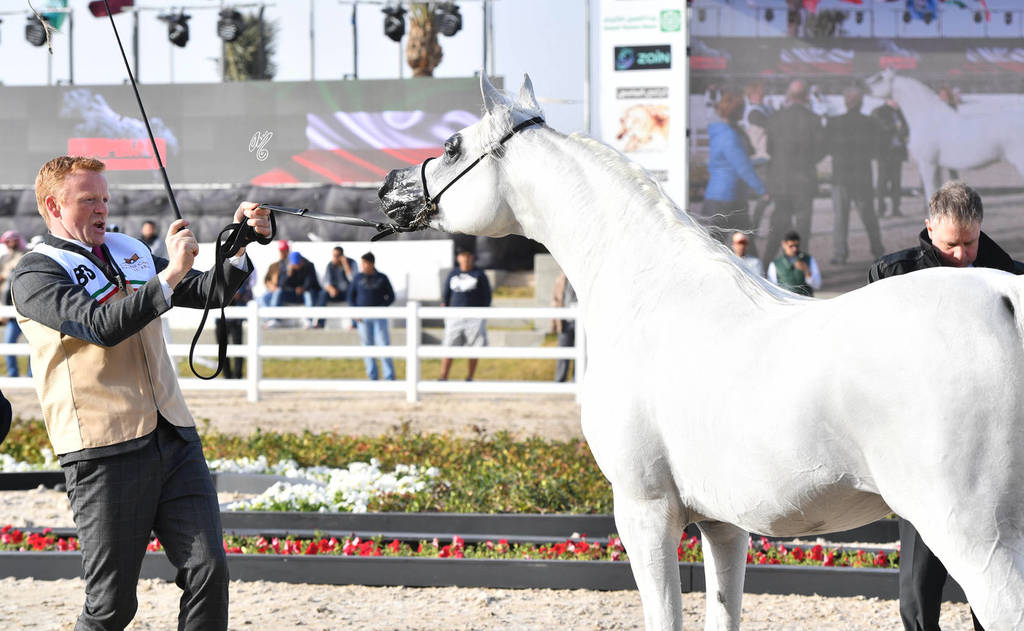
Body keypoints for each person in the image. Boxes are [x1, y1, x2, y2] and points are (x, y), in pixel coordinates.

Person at [10, 155, 271, 631]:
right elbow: (100, 326)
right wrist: (168, 275)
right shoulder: (34, 273)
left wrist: (238, 243)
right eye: (88, 199)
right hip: (102, 450)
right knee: (111, 607)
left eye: (105, 199)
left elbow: (205, 291)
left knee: (210, 572)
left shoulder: (129, 249)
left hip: (174, 435)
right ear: (52, 204)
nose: (101, 209)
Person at [868, 180, 1013, 631]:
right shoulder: (891, 277)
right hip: (921, 453)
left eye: (970, 243)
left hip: (994, 456)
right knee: (917, 587)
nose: (962, 255)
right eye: (951, 244)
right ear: (929, 228)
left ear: (981, 229)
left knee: (995, 581)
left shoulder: (1013, 278)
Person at [762, 79, 827, 268]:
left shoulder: (775, 118)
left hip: (780, 180)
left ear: (788, 95)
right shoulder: (813, 119)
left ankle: (766, 265)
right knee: (803, 229)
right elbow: (822, 149)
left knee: (778, 226)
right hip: (804, 181)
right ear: (807, 96)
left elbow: (770, 149)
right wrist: (806, 162)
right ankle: (801, 271)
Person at [826, 87, 885, 265]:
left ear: (845, 102)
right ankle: (877, 251)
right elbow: (877, 151)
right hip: (862, 178)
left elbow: (827, 148)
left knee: (840, 218)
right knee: (869, 217)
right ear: (861, 103)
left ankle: (840, 253)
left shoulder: (834, 123)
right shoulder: (870, 123)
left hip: (840, 177)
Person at [701, 87, 768, 245]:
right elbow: (742, 166)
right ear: (738, 111)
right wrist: (762, 190)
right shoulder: (730, 136)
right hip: (729, 198)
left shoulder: (721, 132)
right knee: (744, 248)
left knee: (716, 250)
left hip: (716, 197)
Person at [439, 247, 492, 382]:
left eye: (468, 256)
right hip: (454, 315)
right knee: (449, 346)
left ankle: (470, 377)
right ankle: (443, 376)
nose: (466, 259)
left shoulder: (479, 274)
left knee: (474, 347)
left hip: (474, 317)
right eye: (463, 256)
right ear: (458, 258)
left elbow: (487, 295)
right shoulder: (453, 274)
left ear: (472, 258)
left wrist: (482, 312)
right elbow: (446, 294)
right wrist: (444, 306)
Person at [347, 251, 396, 380]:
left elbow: (391, 296)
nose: (362, 266)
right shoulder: (357, 278)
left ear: (371, 264)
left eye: (364, 263)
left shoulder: (382, 278)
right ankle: (372, 376)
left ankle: (389, 376)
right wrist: (355, 313)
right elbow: (350, 297)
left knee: (384, 345)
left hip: (379, 317)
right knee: (367, 347)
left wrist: (382, 308)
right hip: (362, 318)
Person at [741, 81, 773, 232]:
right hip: (761, 157)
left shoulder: (761, 109)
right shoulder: (754, 112)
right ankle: (754, 227)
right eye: (758, 94)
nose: (762, 96)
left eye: (762, 93)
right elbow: (772, 124)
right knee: (766, 195)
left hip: (765, 156)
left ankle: (755, 227)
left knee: (768, 195)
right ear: (751, 96)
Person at [872, 98, 909, 218]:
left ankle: (896, 208)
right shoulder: (879, 111)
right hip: (884, 152)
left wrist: (898, 128)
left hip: (897, 151)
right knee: (882, 182)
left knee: (896, 182)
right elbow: (883, 127)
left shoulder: (900, 113)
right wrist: (896, 127)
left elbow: (906, 128)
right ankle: (881, 208)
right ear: (889, 99)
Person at [215, 270, 255, 379]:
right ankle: (226, 375)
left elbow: (238, 294)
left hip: (235, 318)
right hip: (221, 317)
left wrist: (228, 293)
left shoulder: (242, 270)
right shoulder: (219, 269)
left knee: (238, 347)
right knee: (222, 348)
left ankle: (238, 375)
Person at [0, 230, 29, 376]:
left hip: (26, 307)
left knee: (34, 345)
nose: (11, 243)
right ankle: (13, 375)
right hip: (9, 309)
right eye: (8, 240)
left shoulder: (27, 254)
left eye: (14, 239)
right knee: (8, 344)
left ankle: (32, 375)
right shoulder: (4, 258)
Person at [271, 250, 322, 328]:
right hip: (292, 294)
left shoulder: (309, 265)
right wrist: (288, 274)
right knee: (278, 292)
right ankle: (274, 319)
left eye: (298, 263)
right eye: (295, 264)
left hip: (305, 293)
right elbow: (281, 285)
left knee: (308, 293)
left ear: (302, 261)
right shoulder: (286, 266)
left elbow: (311, 281)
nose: (297, 266)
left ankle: (309, 320)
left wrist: (303, 288)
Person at [767, 230, 821, 297]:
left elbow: (817, 285)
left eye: (797, 246)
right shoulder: (775, 264)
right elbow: (772, 288)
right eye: (791, 246)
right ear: (784, 244)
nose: (795, 249)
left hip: (806, 302)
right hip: (786, 303)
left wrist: (806, 271)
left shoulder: (809, 259)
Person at [551, 271, 578, 383]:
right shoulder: (560, 279)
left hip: (580, 322)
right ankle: (559, 381)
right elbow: (555, 300)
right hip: (564, 322)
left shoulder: (581, 278)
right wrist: (554, 323)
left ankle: (577, 380)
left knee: (580, 353)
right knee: (563, 353)